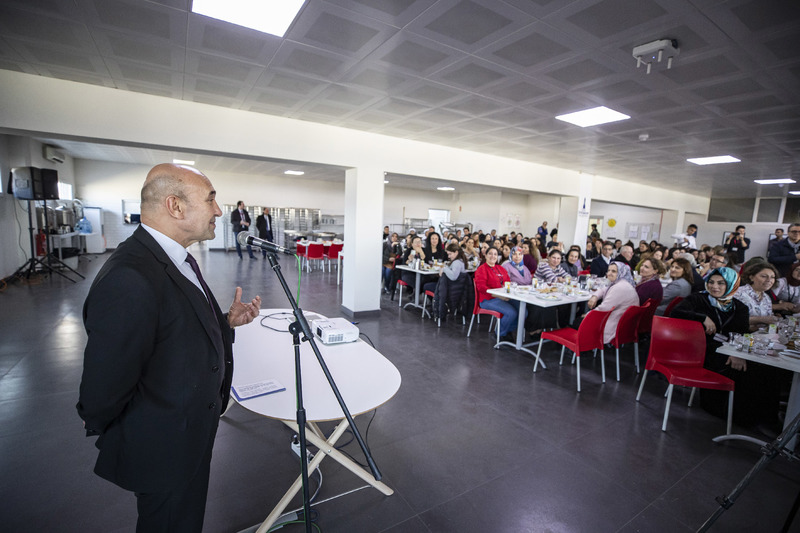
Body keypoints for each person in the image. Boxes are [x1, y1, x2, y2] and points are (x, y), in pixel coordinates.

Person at [77, 164, 262, 531]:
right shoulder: (130, 277)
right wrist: (125, 427)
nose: (218, 210)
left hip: (187, 435)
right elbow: (104, 383)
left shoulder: (173, 259)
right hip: (163, 447)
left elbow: (172, 328)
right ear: (175, 206)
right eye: (210, 200)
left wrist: (223, 323)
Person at [672, 268, 781, 431]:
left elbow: (741, 334)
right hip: (701, 347)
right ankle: (735, 415)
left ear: (731, 285)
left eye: (721, 283)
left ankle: (765, 418)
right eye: (711, 282)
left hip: (728, 347)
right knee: (746, 370)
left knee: (766, 368)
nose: (714, 286)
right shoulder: (699, 299)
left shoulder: (739, 307)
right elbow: (676, 312)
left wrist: (735, 353)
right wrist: (702, 317)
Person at [474, 247, 522, 342]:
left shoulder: (500, 268)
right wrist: (499, 296)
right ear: (485, 255)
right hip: (488, 299)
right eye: (490, 254)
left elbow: (507, 282)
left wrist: (507, 293)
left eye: (495, 254)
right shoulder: (481, 269)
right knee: (511, 313)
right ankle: (500, 333)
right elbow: (482, 288)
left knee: (523, 312)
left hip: (503, 297)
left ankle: (507, 329)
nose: (493, 256)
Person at [586, 262, 640, 344]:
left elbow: (604, 308)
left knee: (576, 322)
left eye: (614, 271)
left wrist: (587, 315)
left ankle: (583, 347)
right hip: (626, 326)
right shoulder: (622, 283)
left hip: (614, 326)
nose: (609, 273)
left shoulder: (620, 287)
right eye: (608, 270)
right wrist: (595, 296)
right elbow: (604, 289)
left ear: (621, 272)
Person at [733, 261, 780, 330]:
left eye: (772, 277)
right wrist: (761, 319)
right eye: (764, 276)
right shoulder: (739, 293)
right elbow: (734, 319)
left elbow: (768, 318)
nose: (769, 280)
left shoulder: (766, 297)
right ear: (751, 277)